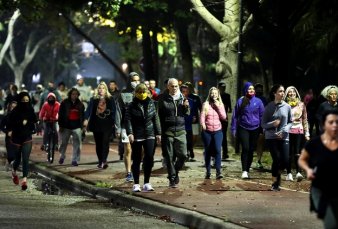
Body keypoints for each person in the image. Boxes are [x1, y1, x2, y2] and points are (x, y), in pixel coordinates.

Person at [298, 110, 338, 229]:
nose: (335, 125)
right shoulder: (314, 144)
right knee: (331, 222)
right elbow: (302, 160)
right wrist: (308, 170)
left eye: (337, 122)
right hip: (320, 189)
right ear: (323, 125)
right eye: (331, 122)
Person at [125, 83, 161, 192]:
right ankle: (136, 184)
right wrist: (130, 133)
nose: (142, 94)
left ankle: (146, 182)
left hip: (150, 133)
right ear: (135, 93)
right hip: (137, 134)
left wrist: (158, 133)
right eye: (139, 92)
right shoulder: (131, 105)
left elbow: (155, 118)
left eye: (144, 92)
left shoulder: (152, 103)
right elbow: (128, 120)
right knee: (136, 159)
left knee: (149, 158)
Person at [158, 78, 189, 188]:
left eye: (176, 86)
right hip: (168, 131)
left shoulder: (182, 97)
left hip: (181, 130)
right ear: (168, 86)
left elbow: (187, 113)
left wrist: (186, 106)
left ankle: (175, 171)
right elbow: (158, 115)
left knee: (183, 155)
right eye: (172, 86)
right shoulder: (162, 98)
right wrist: (159, 132)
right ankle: (172, 178)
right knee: (169, 157)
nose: (175, 88)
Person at [261, 84, 292, 191]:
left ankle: (276, 180)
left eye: (283, 91)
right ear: (274, 93)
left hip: (284, 137)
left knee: (285, 160)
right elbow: (263, 124)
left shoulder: (287, 107)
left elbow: (290, 122)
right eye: (280, 91)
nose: (282, 93)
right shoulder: (269, 107)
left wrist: (285, 130)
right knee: (277, 159)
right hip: (271, 137)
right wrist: (272, 124)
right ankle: (275, 182)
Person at [231, 82, 265, 179]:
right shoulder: (241, 101)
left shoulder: (258, 102)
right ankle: (244, 170)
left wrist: (263, 128)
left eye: (252, 89)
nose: (251, 90)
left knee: (251, 150)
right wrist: (233, 128)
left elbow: (262, 115)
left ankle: (247, 168)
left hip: (255, 128)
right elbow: (235, 116)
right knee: (245, 148)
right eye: (249, 89)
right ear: (245, 90)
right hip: (243, 127)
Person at [7, 92, 38, 190]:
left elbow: (34, 119)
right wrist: (20, 122)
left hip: (27, 137)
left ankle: (24, 180)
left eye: (27, 100)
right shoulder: (15, 111)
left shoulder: (30, 109)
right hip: (16, 138)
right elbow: (10, 123)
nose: (25, 102)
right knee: (18, 159)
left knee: (25, 159)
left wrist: (28, 122)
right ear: (20, 101)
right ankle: (14, 170)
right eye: (23, 101)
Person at [84, 82, 116, 169]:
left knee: (105, 142)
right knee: (98, 144)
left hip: (107, 124)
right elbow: (88, 110)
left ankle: (104, 160)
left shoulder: (110, 99)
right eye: (99, 88)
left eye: (103, 88)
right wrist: (86, 119)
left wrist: (114, 122)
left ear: (106, 90)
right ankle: (100, 160)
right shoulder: (93, 99)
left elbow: (114, 111)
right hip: (96, 123)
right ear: (97, 90)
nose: (101, 90)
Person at [116, 72, 140, 181]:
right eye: (134, 80)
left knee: (141, 150)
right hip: (126, 125)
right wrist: (118, 128)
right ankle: (129, 173)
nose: (136, 82)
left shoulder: (143, 92)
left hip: (139, 126)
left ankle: (136, 165)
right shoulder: (123, 94)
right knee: (128, 149)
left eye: (138, 80)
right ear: (129, 81)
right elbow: (118, 112)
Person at [283, 86, 310, 182]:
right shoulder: (284, 105)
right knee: (289, 152)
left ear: (296, 93)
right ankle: (289, 173)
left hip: (299, 130)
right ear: (287, 94)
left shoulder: (301, 105)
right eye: (289, 92)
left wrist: (307, 133)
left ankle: (298, 172)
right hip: (287, 131)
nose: (292, 93)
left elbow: (305, 119)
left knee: (298, 152)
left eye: (293, 92)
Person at [200, 87, 227, 179]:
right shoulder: (206, 104)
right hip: (207, 131)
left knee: (217, 150)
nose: (214, 95)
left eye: (215, 93)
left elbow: (223, 117)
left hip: (218, 131)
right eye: (212, 93)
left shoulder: (220, 104)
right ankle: (208, 171)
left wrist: (218, 106)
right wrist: (203, 124)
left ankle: (218, 172)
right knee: (208, 151)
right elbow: (202, 116)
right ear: (210, 94)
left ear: (218, 95)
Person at [58, 88, 85, 166]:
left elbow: (82, 116)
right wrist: (61, 125)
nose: (75, 95)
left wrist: (82, 126)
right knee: (63, 143)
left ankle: (74, 160)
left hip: (77, 126)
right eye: (73, 94)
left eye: (76, 94)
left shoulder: (80, 104)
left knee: (77, 144)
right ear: (70, 94)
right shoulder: (64, 103)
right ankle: (62, 156)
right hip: (66, 126)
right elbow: (61, 115)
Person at [254, 83, 269, 169]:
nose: (259, 90)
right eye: (257, 88)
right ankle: (247, 161)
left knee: (260, 141)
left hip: (261, 124)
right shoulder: (251, 99)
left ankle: (258, 160)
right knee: (252, 143)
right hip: (252, 124)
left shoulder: (264, 99)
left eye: (261, 88)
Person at [180, 84, 197, 161]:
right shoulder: (178, 101)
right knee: (183, 141)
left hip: (189, 124)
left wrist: (194, 117)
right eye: (183, 91)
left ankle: (190, 150)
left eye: (186, 91)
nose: (184, 93)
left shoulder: (191, 101)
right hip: (180, 124)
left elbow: (193, 111)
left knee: (189, 140)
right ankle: (185, 154)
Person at [0, 101, 17, 170]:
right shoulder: (7, 116)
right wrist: (7, 132)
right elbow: (1, 126)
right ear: (10, 108)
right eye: (12, 107)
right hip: (9, 137)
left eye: (15, 107)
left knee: (16, 153)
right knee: (10, 154)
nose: (14, 109)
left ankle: (13, 166)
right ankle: (10, 161)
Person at [218, 81, 232, 160]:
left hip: (224, 119)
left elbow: (230, 108)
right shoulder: (215, 96)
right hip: (216, 119)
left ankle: (225, 153)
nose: (223, 89)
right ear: (218, 87)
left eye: (224, 87)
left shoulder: (227, 96)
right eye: (221, 87)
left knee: (223, 136)